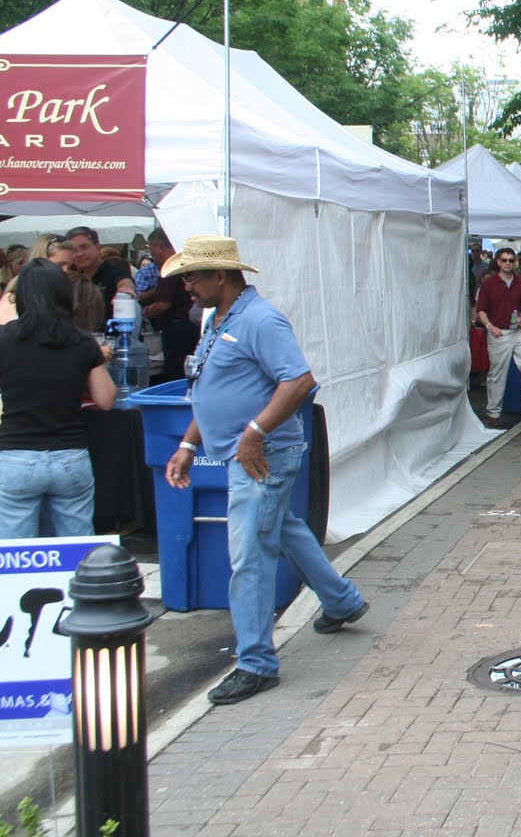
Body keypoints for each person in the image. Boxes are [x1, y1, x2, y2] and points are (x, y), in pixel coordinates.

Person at [159, 235, 368, 706]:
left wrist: (254, 432)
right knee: (283, 529)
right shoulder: (219, 319)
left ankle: (256, 663)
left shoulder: (260, 319)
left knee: (249, 558)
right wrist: (189, 443)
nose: (186, 285)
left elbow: (299, 381)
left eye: (192, 276)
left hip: (262, 455)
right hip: (248, 453)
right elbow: (211, 387)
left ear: (221, 275)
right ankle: (342, 600)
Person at [0, 261, 116, 539]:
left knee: (17, 555)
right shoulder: (83, 341)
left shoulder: (4, 339)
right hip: (70, 456)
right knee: (77, 549)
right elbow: (106, 399)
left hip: (16, 456)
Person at [475, 246, 521, 428]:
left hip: (518, 329)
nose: (508, 263)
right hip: (499, 331)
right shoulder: (489, 284)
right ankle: (493, 412)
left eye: (511, 260)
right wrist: (490, 326)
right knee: (497, 373)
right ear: (498, 262)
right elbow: (481, 310)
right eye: (504, 260)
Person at [139, 229, 200, 385]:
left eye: (152, 250)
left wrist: (145, 312)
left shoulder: (171, 267)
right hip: (189, 327)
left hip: (177, 329)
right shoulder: (183, 264)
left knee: (176, 374)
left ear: (159, 247)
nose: (152, 256)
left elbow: (163, 305)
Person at [63, 225, 134, 309]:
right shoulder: (73, 277)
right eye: (74, 250)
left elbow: (124, 280)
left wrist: (125, 289)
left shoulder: (112, 267)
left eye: (84, 247)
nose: (79, 254)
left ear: (97, 247)